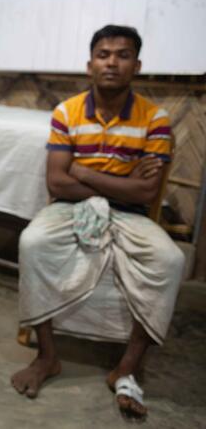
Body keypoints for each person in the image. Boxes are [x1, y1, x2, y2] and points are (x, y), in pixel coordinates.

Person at [10, 25, 184, 418]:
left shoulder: (154, 119)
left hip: (130, 214)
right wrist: (122, 181)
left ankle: (128, 367)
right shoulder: (67, 112)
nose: (112, 62)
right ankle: (48, 357)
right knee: (33, 242)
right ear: (90, 64)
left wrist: (84, 173)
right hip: (70, 207)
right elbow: (56, 181)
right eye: (104, 54)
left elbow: (144, 195)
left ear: (136, 65)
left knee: (171, 261)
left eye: (122, 55)